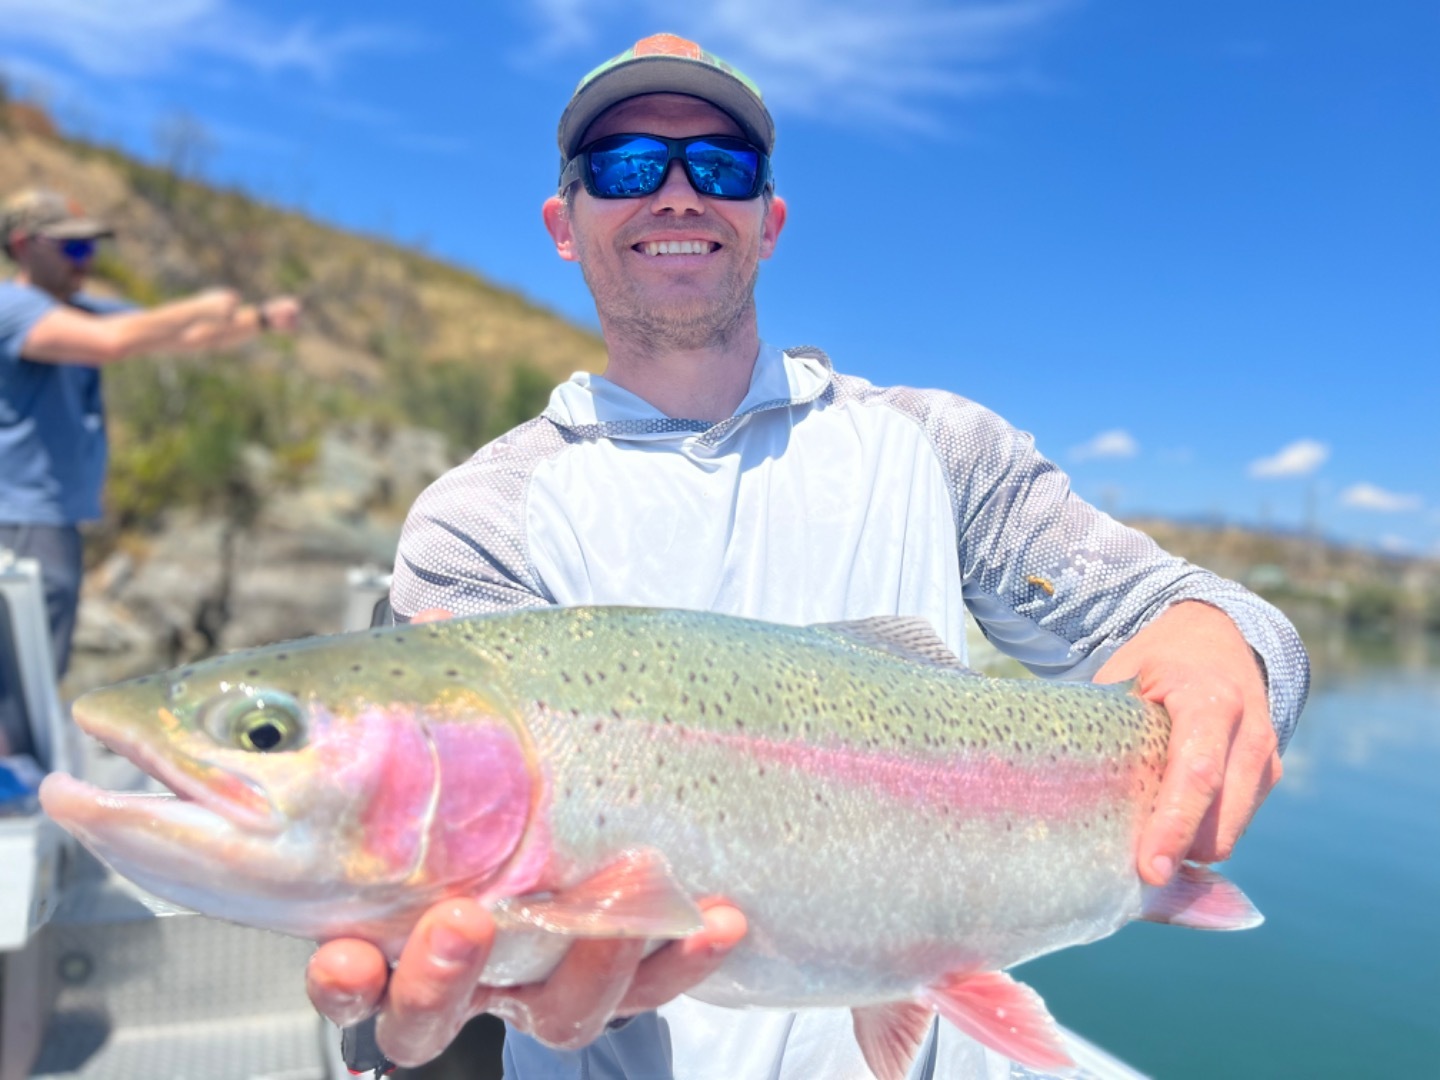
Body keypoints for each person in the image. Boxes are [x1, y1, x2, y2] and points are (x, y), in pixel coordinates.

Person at [305, 33, 1308, 1079]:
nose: (679, 194)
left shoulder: (941, 447)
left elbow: (1208, 624)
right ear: (565, 223)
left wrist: (1224, 643)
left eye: (722, 166)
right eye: (627, 166)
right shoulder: (479, 517)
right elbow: (473, 832)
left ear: (768, 222)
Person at [0, 188, 301, 756]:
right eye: (72, 248)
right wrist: (200, 304)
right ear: (23, 246)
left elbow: (180, 334)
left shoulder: (75, 310)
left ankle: (20, 775)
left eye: (88, 247)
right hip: (18, 516)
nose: (83, 260)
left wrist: (258, 319)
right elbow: (113, 344)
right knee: (17, 674)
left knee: (38, 665)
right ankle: (14, 783)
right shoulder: (13, 309)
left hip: (50, 517)